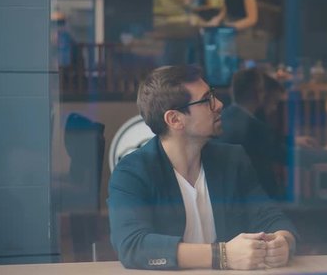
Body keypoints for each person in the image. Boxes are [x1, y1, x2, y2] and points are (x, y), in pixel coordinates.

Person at [107, 65, 297, 270]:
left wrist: (283, 243)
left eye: (213, 95)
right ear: (174, 119)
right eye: (206, 100)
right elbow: (133, 246)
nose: (219, 104)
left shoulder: (231, 160)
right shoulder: (133, 172)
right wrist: (222, 255)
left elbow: (273, 219)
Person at [218, 68, 288, 200]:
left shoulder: (222, 118)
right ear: (258, 93)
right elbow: (284, 155)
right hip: (255, 202)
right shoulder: (254, 127)